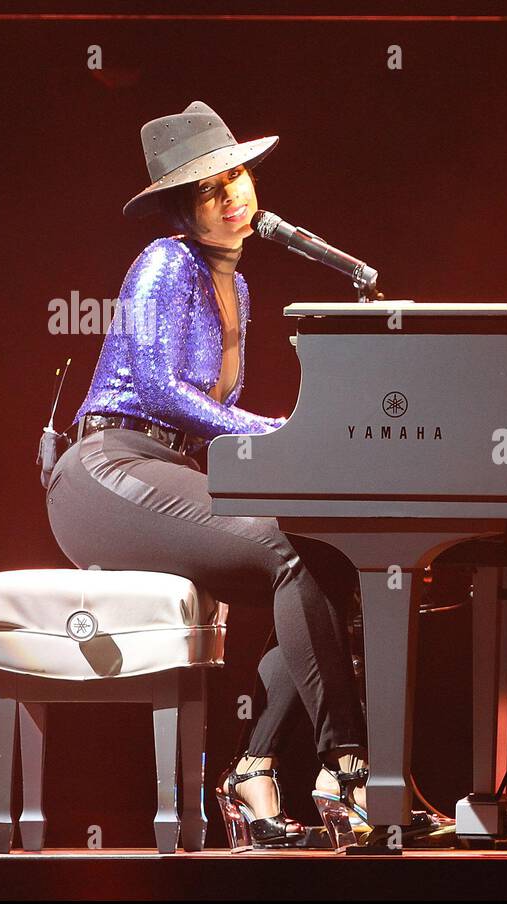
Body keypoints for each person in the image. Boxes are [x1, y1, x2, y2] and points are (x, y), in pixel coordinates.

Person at [44, 101, 369, 848]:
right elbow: (160, 389)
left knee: (325, 558)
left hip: (163, 465)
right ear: (183, 212)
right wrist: (279, 431)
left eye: (237, 177)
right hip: (106, 469)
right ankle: (346, 767)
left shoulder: (241, 289)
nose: (232, 198)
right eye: (207, 190)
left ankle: (251, 772)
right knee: (285, 546)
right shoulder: (165, 263)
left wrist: (284, 438)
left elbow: (206, 410)